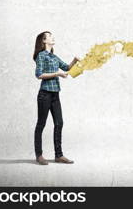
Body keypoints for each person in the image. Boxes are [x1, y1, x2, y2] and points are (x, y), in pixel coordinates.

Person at [32, 31, 80, 165]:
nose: (53, 37)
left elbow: (66, 68)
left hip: (55, 95)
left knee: (59, 123)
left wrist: (75, 60)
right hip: (45, 94)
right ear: (44, 41)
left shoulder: (53, 56)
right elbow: (39, 74)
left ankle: (58, 155)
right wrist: (57, 74)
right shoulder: (41, 55)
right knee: (41, 124)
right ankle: (39, 155)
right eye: (49, 36)